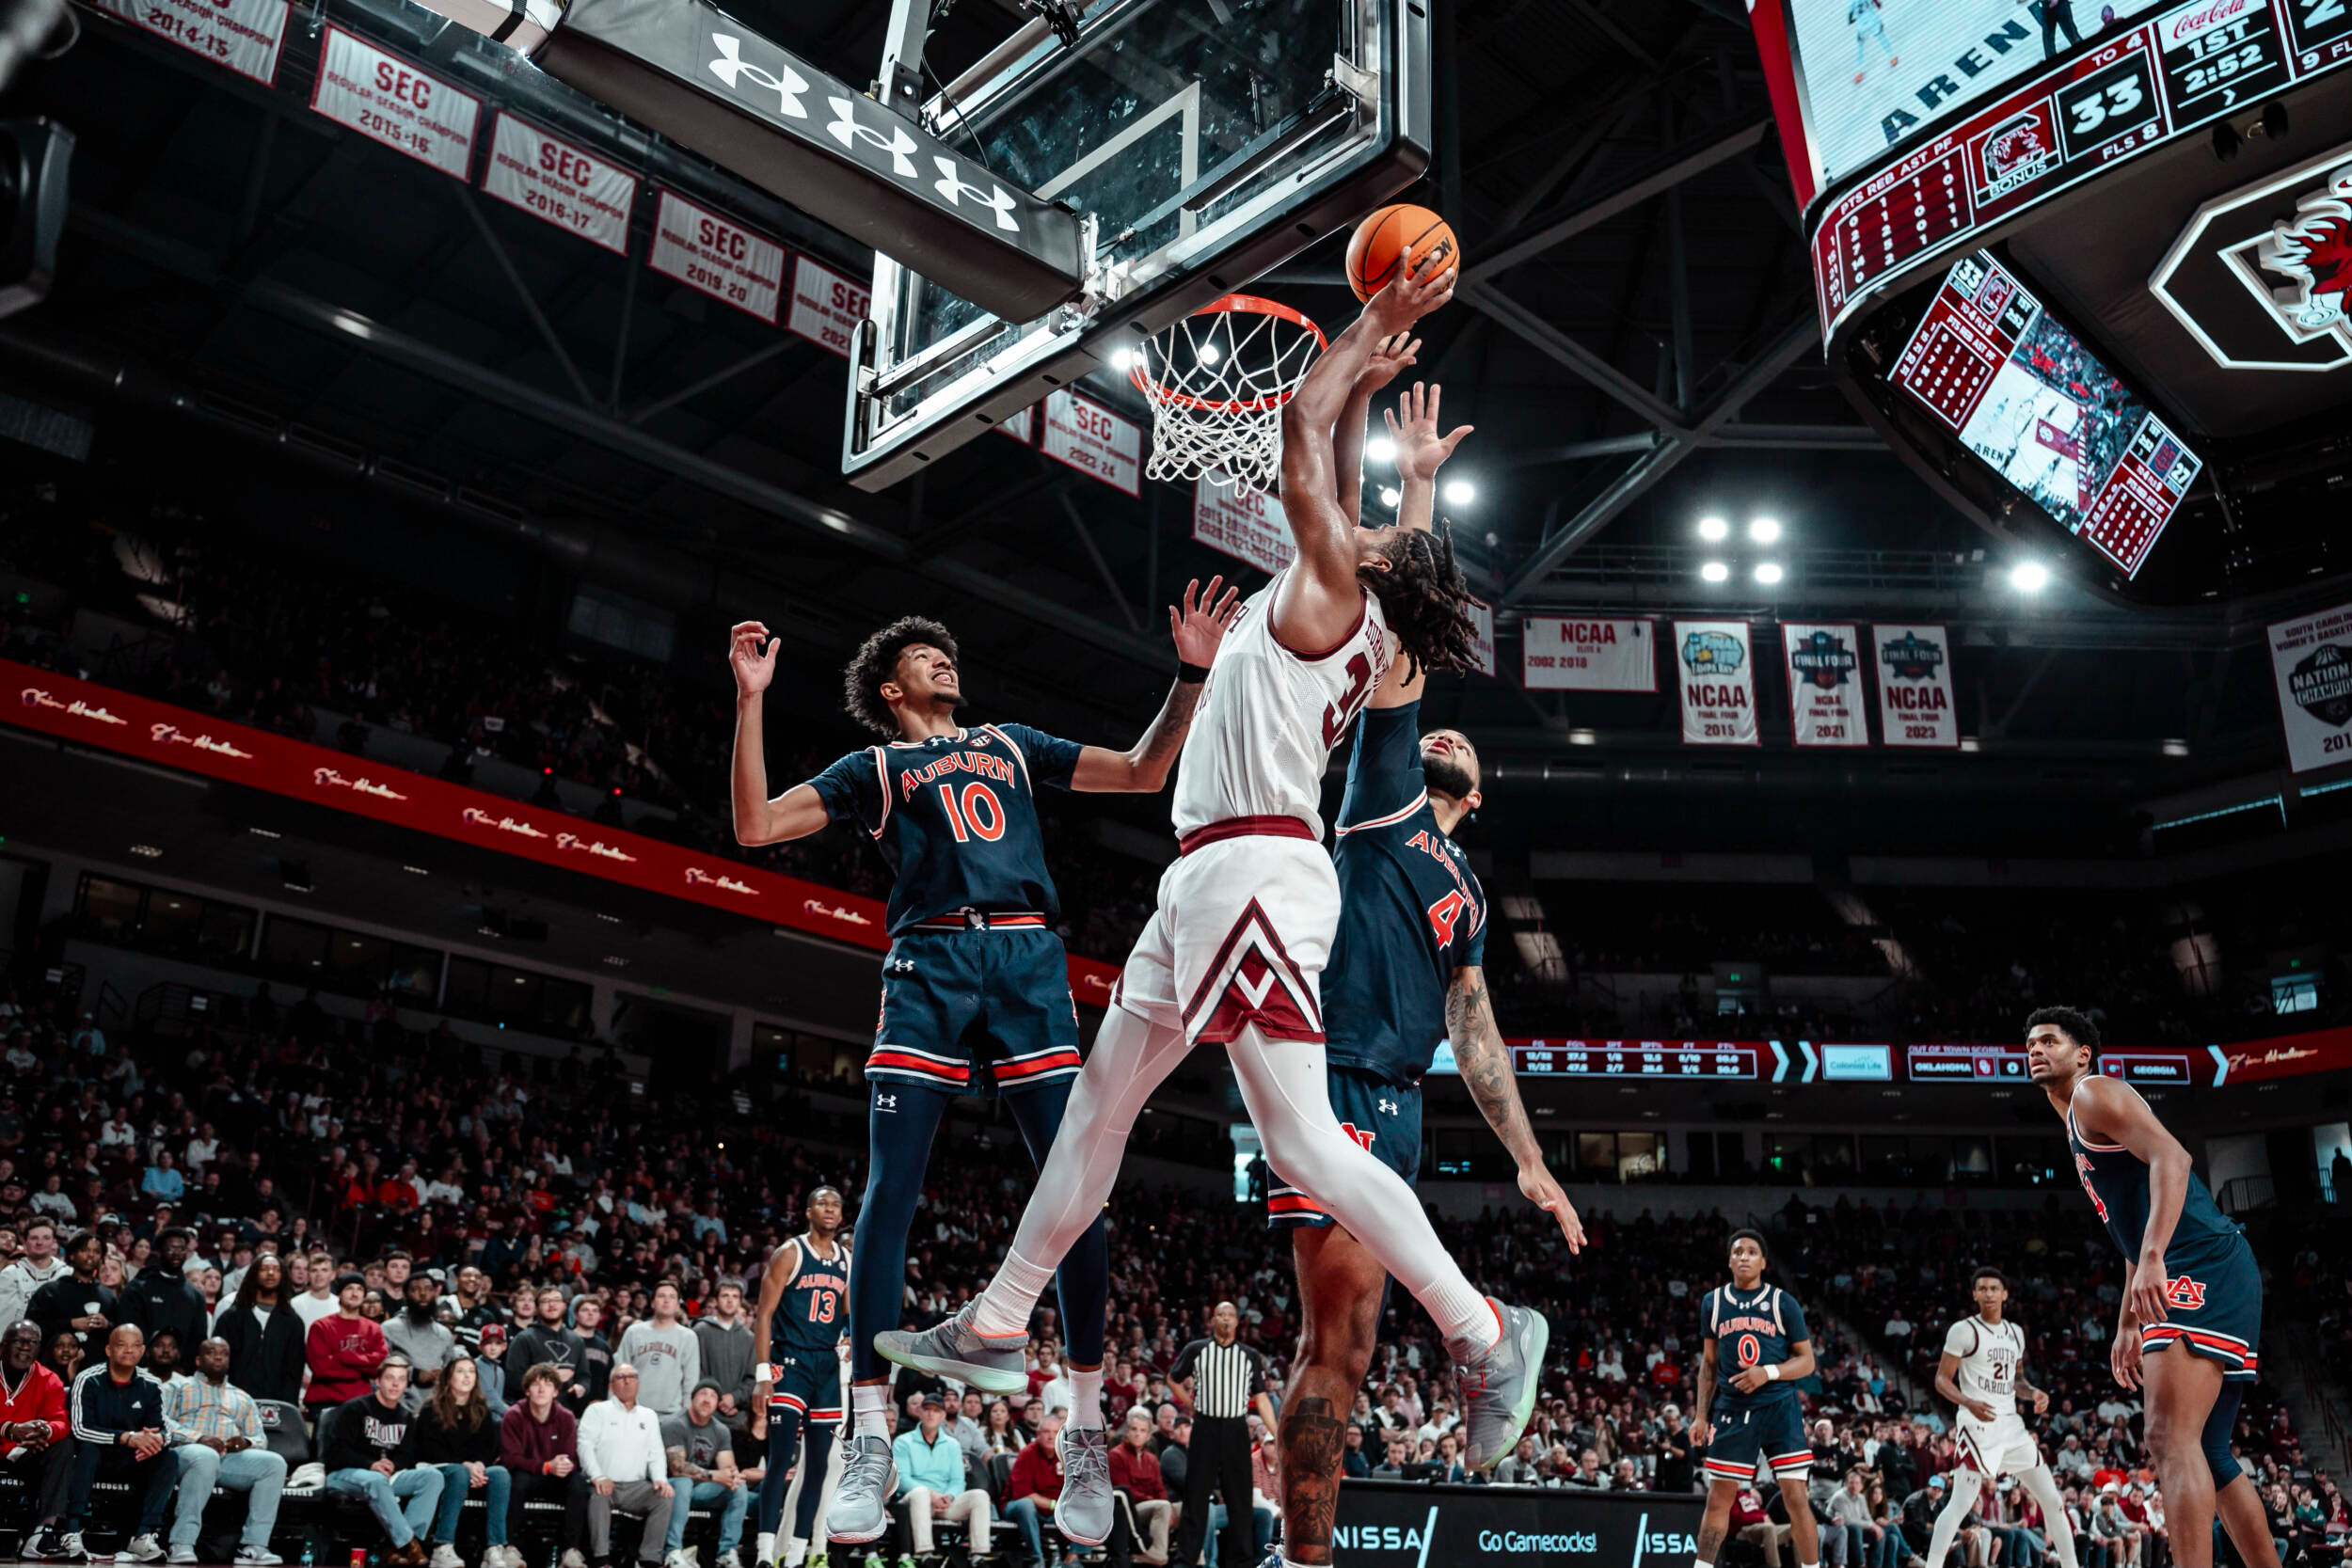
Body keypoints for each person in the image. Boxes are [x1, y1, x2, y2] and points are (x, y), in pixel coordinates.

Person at [880, 256, 1540, 1544]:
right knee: (1101, 1101)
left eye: (1372, 529)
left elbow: (1302, 432)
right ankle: (1001, 1315)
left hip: (1255, 868)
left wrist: (1369, 329)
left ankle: (1483, 1327)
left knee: (1298, 1143)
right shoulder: (1337, 590)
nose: (1347, 517)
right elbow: (1335, 467)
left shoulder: (1328, 596)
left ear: (1370, 567)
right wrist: (1404, 459)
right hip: (1200, 876)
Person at [729, 574, 1243, 1547]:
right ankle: (872, 1434)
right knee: (891, 1192)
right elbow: (754, 825)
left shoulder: (1006, 742)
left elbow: (1140, 771)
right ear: (889, 689)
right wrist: (752, 699)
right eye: (922, 654)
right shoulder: (873, 770)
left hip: (1027, 960)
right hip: (929, 960)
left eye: (945, 649)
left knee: (1079, 1183)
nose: (943, 657)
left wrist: (1189, 676)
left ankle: (1087, 1428)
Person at [1263, 380, 1583, 1568]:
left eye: (1461, 749)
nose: (1442, 739)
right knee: (1331, 1342)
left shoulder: (1464, 884)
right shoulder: (1383, 799)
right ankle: (1310, 1548)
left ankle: (1483, 1339)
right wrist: (1420, 483)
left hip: (1386, 1094)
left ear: (1478, 789)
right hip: (1343, 1078)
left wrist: (1533, 1160)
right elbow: (1399, 640)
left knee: (1339, 1343)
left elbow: (1478, 1028)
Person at [2029, 1006, 2277, 1568]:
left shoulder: (2094, 1095)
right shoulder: (2074, 1124)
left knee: (2166, 1437)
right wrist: (2125, 1322)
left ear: (2082, 1053)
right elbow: (2131, 1229)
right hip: (2197, 1258)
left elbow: (2175, 1156)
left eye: (2049, 1040)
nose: (2036, 1050)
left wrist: (2153, 1255)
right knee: (2207, 1451)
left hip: (2200, 1256)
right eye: (2030, 1044)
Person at [1921, 1268, 2079, 1568]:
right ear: (1975, 1295)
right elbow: (1942, 1379)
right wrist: (1968, 1401)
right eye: (1983, 1289)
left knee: (2053, 1501)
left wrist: (2033, 1393)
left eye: (1995, 1288)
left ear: (2005, 1294)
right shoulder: (1963, 1330)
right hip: (1977, 1425)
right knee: (1960, 1504)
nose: (1989, 1293)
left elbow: (2016, 1380)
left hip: (2012, 1428)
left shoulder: (2015, 1333)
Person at [1692, 1228, 1824, 1568]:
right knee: (1718, 1499)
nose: (1744, 1257)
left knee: (1796, 1498)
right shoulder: (1714, 1302)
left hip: (1780, 1407)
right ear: (1730, 1261)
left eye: (1751, 1252)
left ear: (1764, 1262)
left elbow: (1807, 1361)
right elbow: (1708, 1365)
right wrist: (1700, 1415)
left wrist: (1768, 1372)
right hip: (1733, 1410)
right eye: (1737, 1252)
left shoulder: (1783, 1303)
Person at [750, 1189, 849, 1568]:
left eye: (836, 1205)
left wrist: (851, 1334)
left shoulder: (846, 1261)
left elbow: (846, 1313)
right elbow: (763, 1315)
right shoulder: (789, 1253)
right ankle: (763, 1552)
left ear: (840, 1216)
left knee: (819, 1467)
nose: (829, 1210)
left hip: (825, 1367)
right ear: (808, 1212)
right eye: (822, 1203)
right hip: (788, 1363)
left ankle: (795, 1556)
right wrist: (763, 1375)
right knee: (779, 1460)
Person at [1163, 1304, 1277, 1568]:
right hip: (1205, 1427)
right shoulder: (1197, 1349)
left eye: (1230, 1315)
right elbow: (1172, 1379)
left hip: (1236, 1429)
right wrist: (1192, 1407)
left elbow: (1261, 1399)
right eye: (1220, 1315)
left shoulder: (1250, 1355)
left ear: (1237, 1322)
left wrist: (1276, 1434)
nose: (1225, 1319)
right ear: (1212, 1320)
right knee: (1196, 1495)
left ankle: (1241, 1561)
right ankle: (1186, 1559)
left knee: (1239, 1498)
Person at [61, 1324, 183, 1564]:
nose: (129, 1350)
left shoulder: (151, 1383)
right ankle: (71, 1531)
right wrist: (127, 1437)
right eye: (121, 1345)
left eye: (135, 1345)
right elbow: (79, 1429)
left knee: (169, 1458)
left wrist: (158, 1440)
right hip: (95, 1456)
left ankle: (143, 1535)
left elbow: (162, 1429)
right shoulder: (88, 1379)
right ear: (108, 1349)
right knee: (87, 1449)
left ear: (143, 1350)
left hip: (131, 1460)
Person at [163, 1336, 287, 1566]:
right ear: (198, 1360)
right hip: (184, 1455)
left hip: (227, 1459)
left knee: (274, 1463)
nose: (219, 1356)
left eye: (224, 1353)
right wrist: (199, 1438)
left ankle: (254, 1547)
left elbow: (260, 1438)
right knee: (205, 1456)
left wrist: (246, 1442)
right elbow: (161, 1423)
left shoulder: (242, 1396)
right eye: (212, 1352)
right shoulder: (177, 1386)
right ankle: (181, 1543)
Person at [322, 1356, 443, 1565]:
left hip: (385, 1477)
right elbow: (335, 1452)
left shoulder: (405, 1416)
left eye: (401, 1379)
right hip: (345, 1474)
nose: (395, 1384)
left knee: (433, 1477)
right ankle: (409, 1546)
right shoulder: (354, 1409)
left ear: (406, 1384)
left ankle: (396, 1547)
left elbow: (408, 1456)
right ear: (378, 1381)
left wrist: (393, 1465)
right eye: (389, 1378)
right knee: (375, 1479)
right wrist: (371, 1464)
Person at [417, 1355, 513, 1568]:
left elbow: (488, 1449)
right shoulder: (430, 1409)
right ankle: (443, 1546)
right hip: (437, 1469)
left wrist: (478, 1465)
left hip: (469, 1471)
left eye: (471, 1371)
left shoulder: (481, 1410)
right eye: (460, 1371)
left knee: (500, 1474)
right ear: (449, 1377)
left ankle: (494, 1548)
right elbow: (429, 1450)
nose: (467, 1376)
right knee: (459, 1472)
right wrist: (466, 1465)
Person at [577, 1363, 675, 1568]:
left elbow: (656, 1452)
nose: (627, 1380)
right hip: (604, 1482)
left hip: (636, 1486)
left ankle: (649, 1560)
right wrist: (597, 1476)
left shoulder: (648, 1416)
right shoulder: (597, 1410)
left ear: (638, 1383)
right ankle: (601, 1559)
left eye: (632, 1376)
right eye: (621, 1376)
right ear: (612, 1386)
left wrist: (660, 1479)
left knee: (663, 1498)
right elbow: (584, 1446)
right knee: (598, 1496)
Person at [501, 1363, 590, 1568]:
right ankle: (511, 1547)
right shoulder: (513, 1415)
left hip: (554, 1477)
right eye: (536, 1384)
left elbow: (571, 1458)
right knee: (517, 1479)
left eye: (548, 1385)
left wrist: (565, 1465)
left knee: (577, 1482)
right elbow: (510, 1458)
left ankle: (571, 1551)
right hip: (526, 1475)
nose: (541, 1390)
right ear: (526, 1390)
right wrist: (545, 1466)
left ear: (556, 1391)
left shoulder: (566, 1417)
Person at [5, 1317, 76, 1560]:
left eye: (32, 1342)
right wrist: (10, 1429)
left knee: (63, 1446)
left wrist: (44, 1430)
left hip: (26, 1452)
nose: (25, 1347)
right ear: (2, 1345)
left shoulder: (48, 1379)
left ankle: (42, 1533)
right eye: (19, 1341)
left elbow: (61, 1422)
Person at [892, 1390, 991, 1561]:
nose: (931, 1414)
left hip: (944, 1503)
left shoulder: (953, 1445)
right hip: (915, 1501)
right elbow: (902, 1479)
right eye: (927, 1409)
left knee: (980, 1496)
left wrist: (949, 1497)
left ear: (943, 1415)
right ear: (920, 1412)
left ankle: (978, 1555)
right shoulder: (903, 1441)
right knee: (921, 1493)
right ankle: (925, 1554)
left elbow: (958, 1481)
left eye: (936, 1411)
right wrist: (932, 1495)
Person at [661, 1382, 751, 1568]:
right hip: (669, 1488)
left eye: (712, 1396)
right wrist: (715, 1475)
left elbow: (727, 1467)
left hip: (700, 1489)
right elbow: (677, 1467)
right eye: (703, 1394)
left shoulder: (720, 1430)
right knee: (683, 1482)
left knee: (738, 1489)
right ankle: (673, 1552)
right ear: (692, 1398)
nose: (707, 1399)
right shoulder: (674, 1423)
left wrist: (732, 1477)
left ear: (717, 1403)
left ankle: (727, 1554)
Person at [215, 1252, 306, 1407]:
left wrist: (287, 1408)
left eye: (276, 1269)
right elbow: (217, 1364)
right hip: (232, 1402)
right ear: (254, 1274)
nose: (270, 1273)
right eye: (264, 1269)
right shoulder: (232, 1317)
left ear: (283, 1276)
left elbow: (294, 1373)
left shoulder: (293, 1323)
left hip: (275, 1407)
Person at [307, 1273, 389, 1419]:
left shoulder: (373, 1329)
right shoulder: (321, 1327)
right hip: (325, 1402)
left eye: (359, 1289)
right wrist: (362, 1370)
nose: (355, 1293)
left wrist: (343, 1357)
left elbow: (379, 1366)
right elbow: (321, 1369)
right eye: (349, 1288)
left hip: (362, 1403)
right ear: (339, 1294)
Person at [120, 1230, 208, 1368]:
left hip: (181, 1375)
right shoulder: (138, 1288)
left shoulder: (196, 1294)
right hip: (142, 1370)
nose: (177, 1253)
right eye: (170, 1248)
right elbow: (128, 1331)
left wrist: (185, 1368)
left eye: (181, 1249)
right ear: (159, 1252)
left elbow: (198, 1338)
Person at [616, 1281, 699, 1419]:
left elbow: (691, 1381)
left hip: (672, 1414)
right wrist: (617, 1407)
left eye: (672, 1297)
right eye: (661, 1296)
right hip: (634, 1410)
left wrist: (687, 1415)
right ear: (652, 1303)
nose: (666, 1300)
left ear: (678, 1305)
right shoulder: (634, 1332)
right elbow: (619, 1372)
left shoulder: (688, 1337)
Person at [30, 1230, 116, 1364]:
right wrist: (70, 1324)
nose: (91, 1255)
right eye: (84, 1250)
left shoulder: (109, 1296)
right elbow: (33, 1329)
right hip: (54, 1372)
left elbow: (121, 1333)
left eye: (97, 1252)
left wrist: (107, 1325)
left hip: (97, 1372)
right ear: (71, 1255)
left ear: (101, 1259)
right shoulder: (50, 1291)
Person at [507, 1287, 588, 1415]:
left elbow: (584, 1376)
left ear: (564, 1306)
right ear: (537, 1308)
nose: (552, 1304)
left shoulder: (576, 1340)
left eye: (556, 1300)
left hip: (566, 1412)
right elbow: (513, 1380)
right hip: (532, 1414)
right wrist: (550, 1378)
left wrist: (582, 1387)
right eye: (545, 1301)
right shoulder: (524, 1339)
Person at [1004, 1409, 1069, 1568]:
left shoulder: (1067, 1455)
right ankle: (1036, 1559)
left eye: (1055, 1432)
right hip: (1018, 1507)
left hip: (1055, 1510)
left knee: (1084, 1505)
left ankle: (1072, 1558)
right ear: (1038, 1433)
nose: (1050, 1436)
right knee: (1026, 1505)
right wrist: (1055, 1506)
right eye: (1046, 1431)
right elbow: (1024, 1494)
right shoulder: (1027, 1454)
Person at [1108, 1407, 1170, 1567]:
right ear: (1127, 1432)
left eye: (1142, 1431)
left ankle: (1197, 1562)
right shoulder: (1116, 1455)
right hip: (1133, 1508)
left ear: (1148, 1436)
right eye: (1134, 1429)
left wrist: (1164, 1503)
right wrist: (1155, 1500)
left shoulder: (1151, 1458)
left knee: (1188, 1510)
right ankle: (1157, 1555)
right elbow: (1125, 1491)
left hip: (1154, 1505)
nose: (1137, 1434)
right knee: (1162, 1506)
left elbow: (1160, 1488)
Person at [383, 1272, 456, 1405]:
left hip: (435, 1405)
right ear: (405, 1295)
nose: (423, 1294)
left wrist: (443, 1375)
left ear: (435, 1294)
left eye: (428, 1289)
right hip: (398, 1403)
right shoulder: (389, 1328)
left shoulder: (444, 1333)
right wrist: (414, 1374)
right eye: (415, 1289)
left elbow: (450, 1368)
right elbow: (380, 1365)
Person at [692, 1279, 756, 1430]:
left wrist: (734, 1398)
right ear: (716, 1300)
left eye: (735, 1297)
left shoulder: (749, 1338)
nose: (730, 1300)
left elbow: (752, 1378)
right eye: (725, 1295)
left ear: (740, 1302)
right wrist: (716, 1398)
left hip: (737, 1416)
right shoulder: (700, 1331)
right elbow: (694, 1371)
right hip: (704, 1413)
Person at [1, 1217, 69, 1330]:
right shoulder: (11, 1274)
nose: (40, 1242)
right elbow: (3, 1319)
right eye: (34, 1238)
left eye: (46, 1238)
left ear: (54, 1242)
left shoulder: (67, 1273)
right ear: (24, 1242)